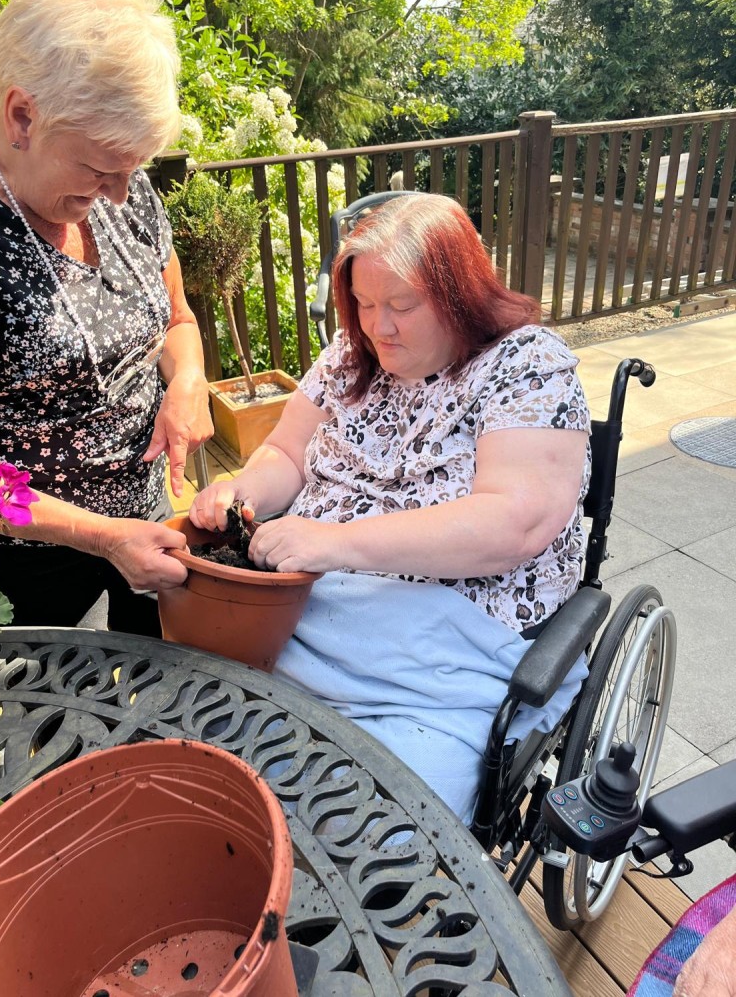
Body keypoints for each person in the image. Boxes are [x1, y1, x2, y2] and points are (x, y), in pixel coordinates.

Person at [190, 192, 591, 823]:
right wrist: (243, 490)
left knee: (367, 830)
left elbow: (517, 521)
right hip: (302, 614)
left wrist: (336, 543)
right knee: (213, 777)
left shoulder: (526, 365)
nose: (380, 327)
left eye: (402, 305)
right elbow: (288, 455)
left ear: (460, 294)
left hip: (442, 661)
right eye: (366, 304)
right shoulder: (351, 359)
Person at [0, 0, 213, 635]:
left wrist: (190, 378)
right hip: (31, 564)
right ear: (24, 116)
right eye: (101, 171)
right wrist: (103, 537)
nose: (119, 197)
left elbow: (175, 317)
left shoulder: (110, 164)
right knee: (63, 731)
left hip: (148, 520)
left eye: (132, 170)